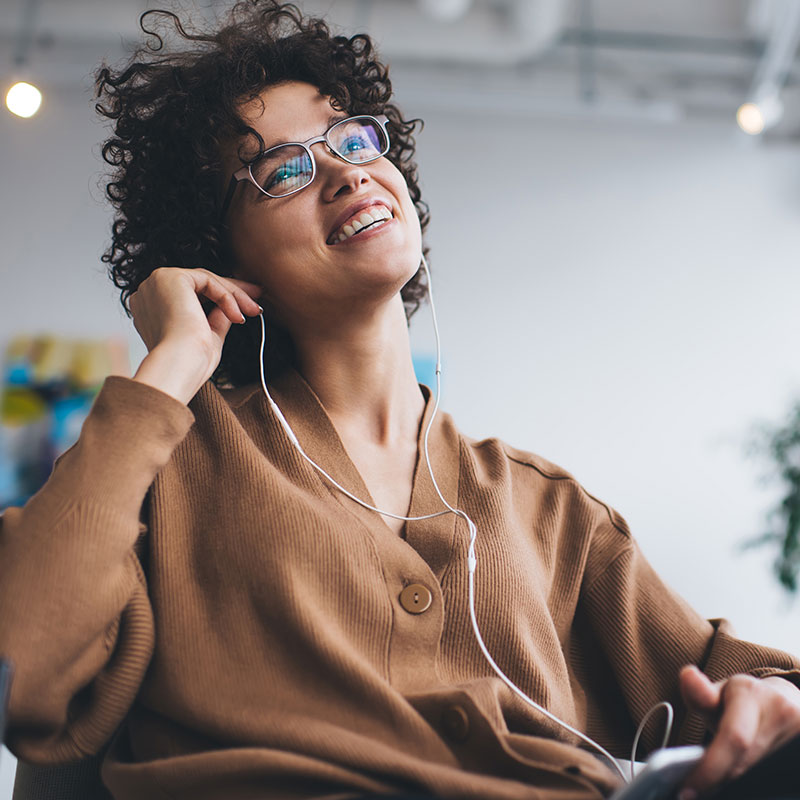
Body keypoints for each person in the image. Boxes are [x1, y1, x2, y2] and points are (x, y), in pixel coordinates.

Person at [1, 2, 799, 799]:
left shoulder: (544, 509)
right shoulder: (162, 467)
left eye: (351, 139)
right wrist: (172, 362)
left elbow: (754, 688)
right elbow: (21, 667)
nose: (347, 171)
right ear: (217, 256)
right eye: (283, 169)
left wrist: (776, 702)